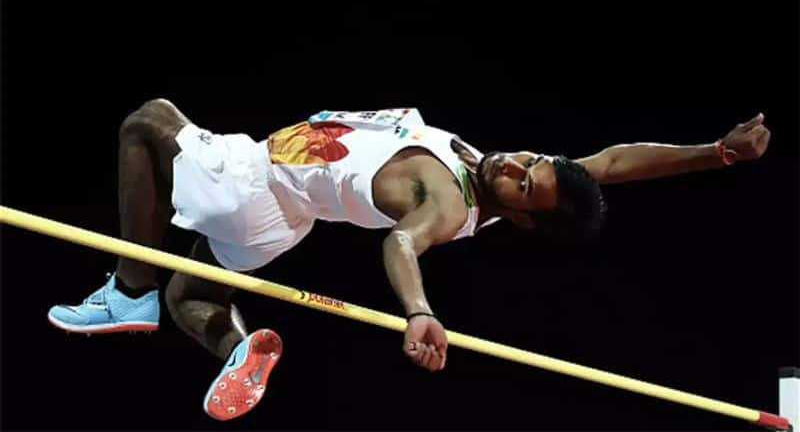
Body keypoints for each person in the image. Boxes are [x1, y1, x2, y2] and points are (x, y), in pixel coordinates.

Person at [46, 100, 771, 420]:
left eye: (524, 181)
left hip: (257, 178)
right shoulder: (495, 177)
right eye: (533, 159)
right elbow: (611, 161)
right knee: (191, 294)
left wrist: (419, 311)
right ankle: (237, 349)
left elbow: (400, 241)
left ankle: (127, 288)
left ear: (516, 216)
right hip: (281, 217)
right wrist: (716, 153)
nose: (517, 162)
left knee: (146, 122)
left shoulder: (447, 201)